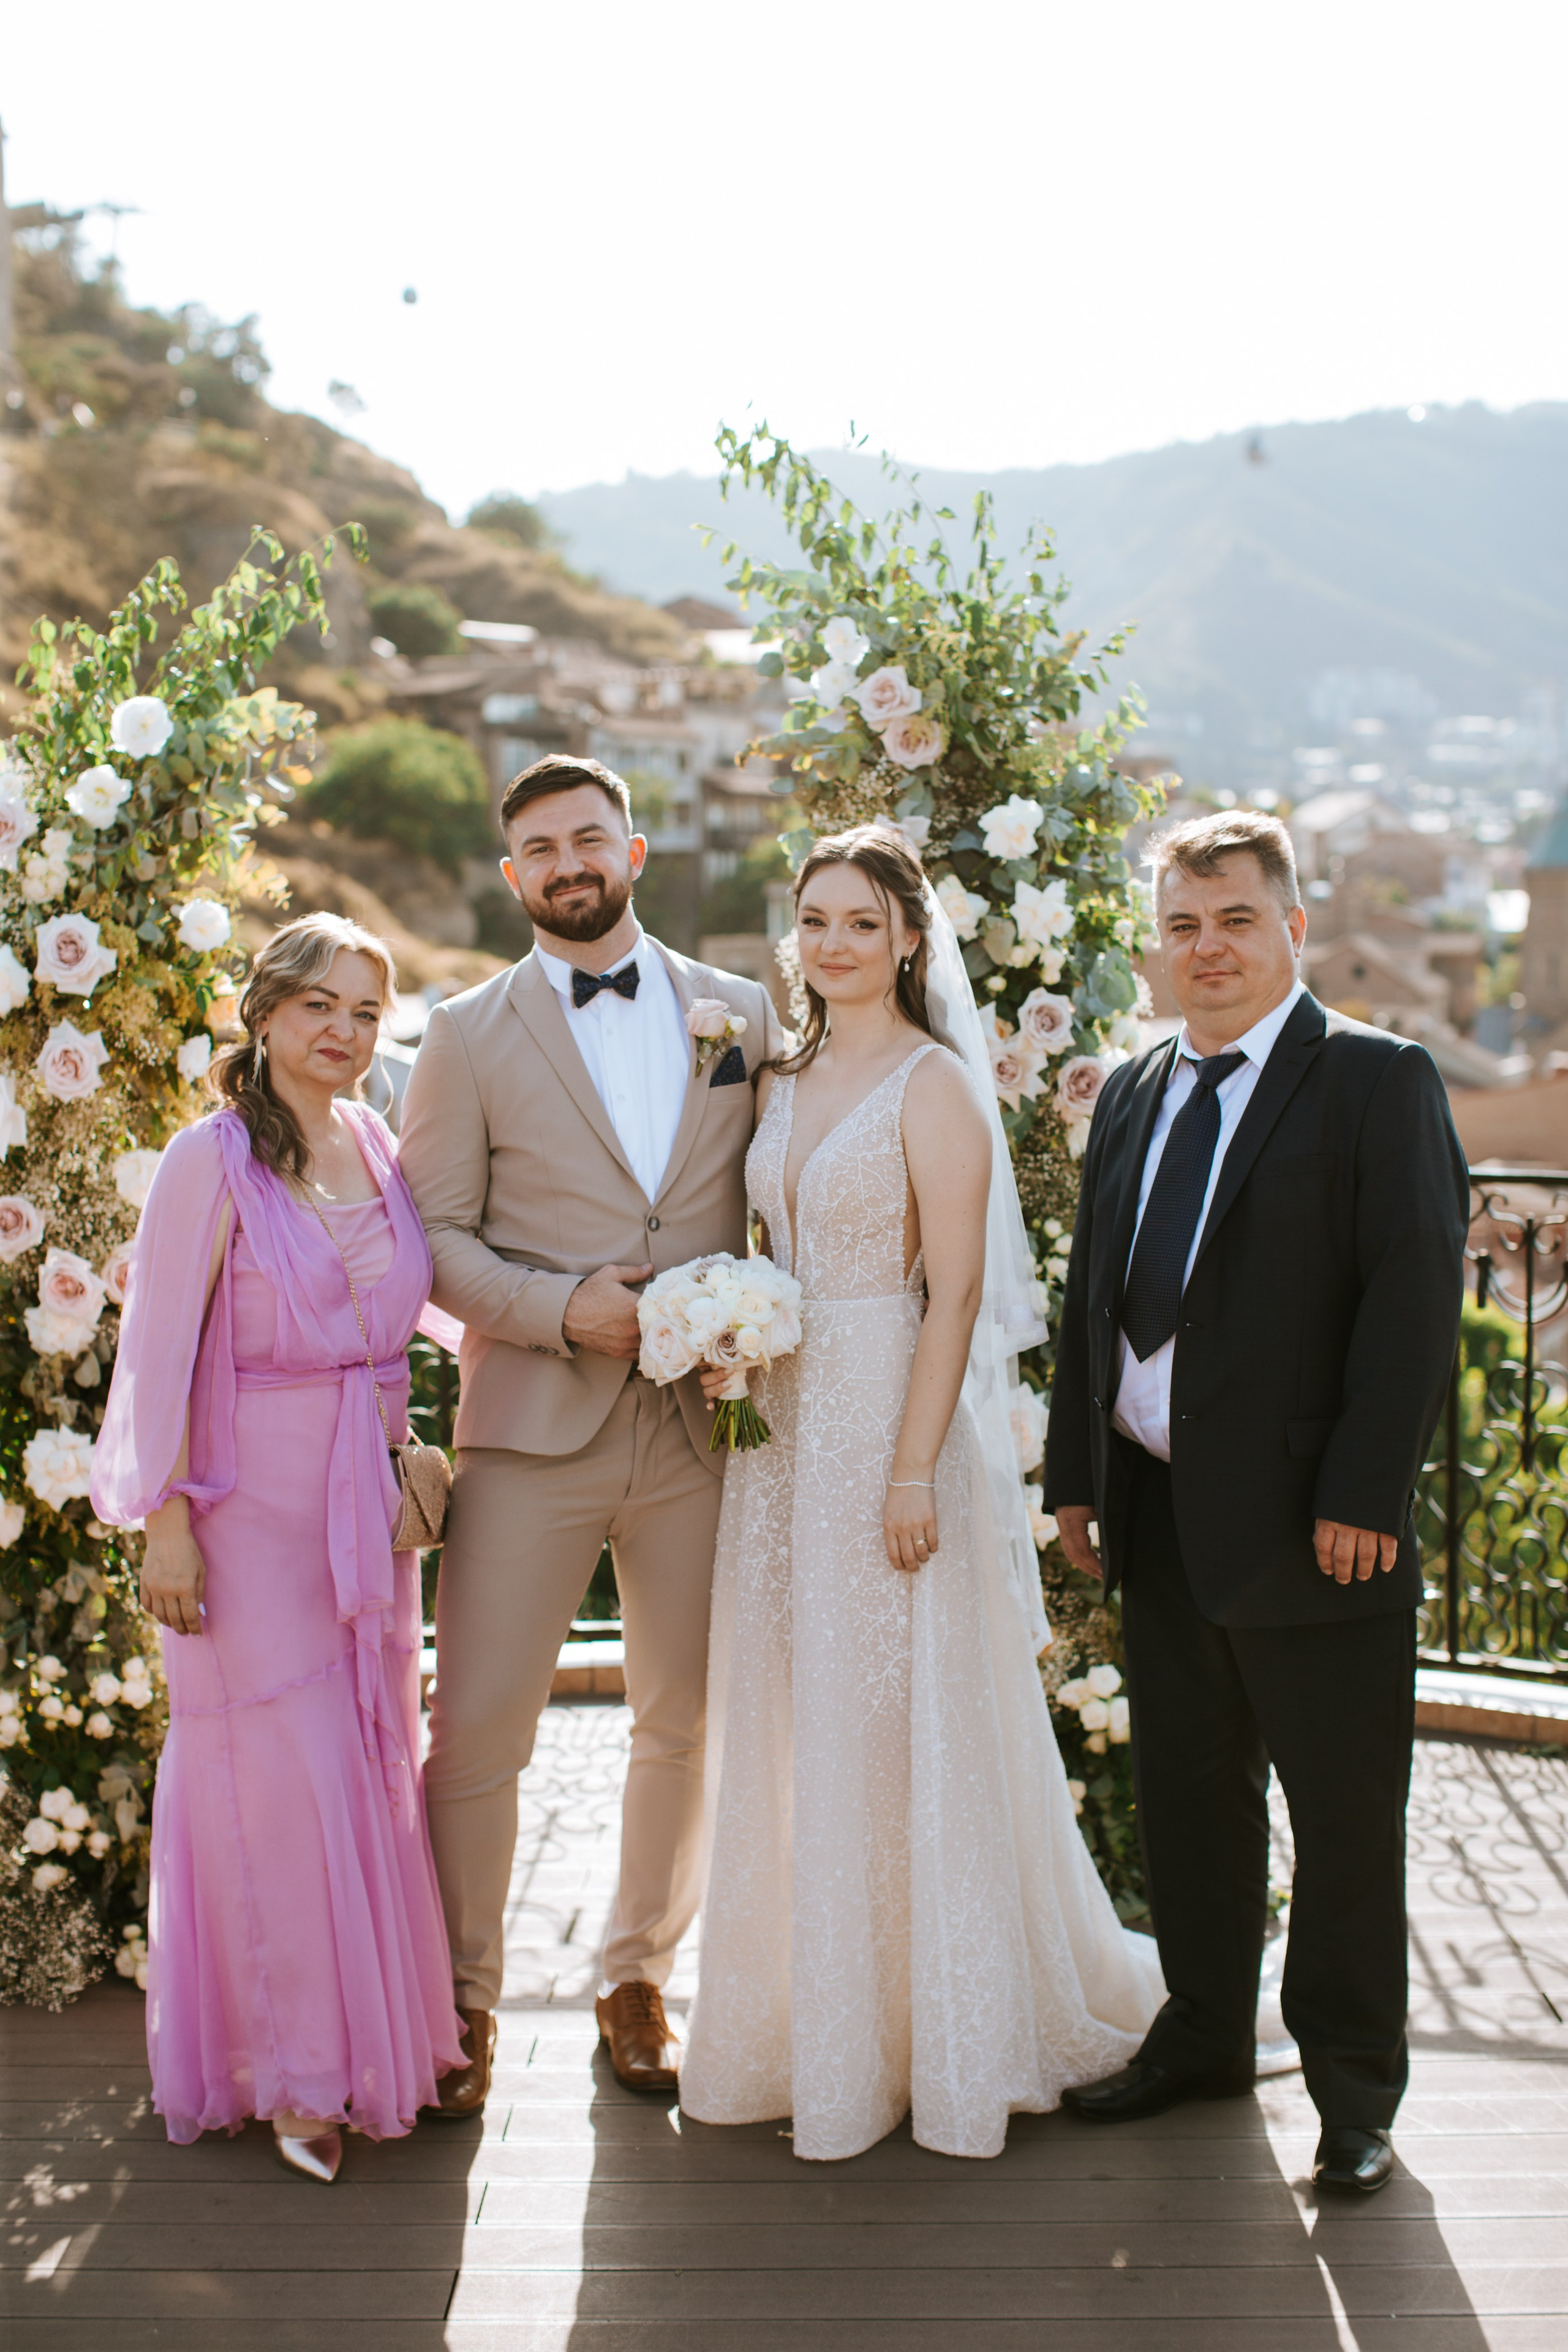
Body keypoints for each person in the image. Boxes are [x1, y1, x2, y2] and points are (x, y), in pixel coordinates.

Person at [678, 826, 1163, 2163]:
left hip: (889, 1409)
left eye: (857, 920)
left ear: (907, 938)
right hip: (778, 1423)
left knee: (898, 1713)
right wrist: (727, 1331)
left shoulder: (934, 1085)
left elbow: (952, 1291)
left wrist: (907, 1468)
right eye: (811, 920)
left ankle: (933, 2032)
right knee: (801, 1713)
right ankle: (810, 2026)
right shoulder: (773, 1076)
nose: (831, 943)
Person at [1043, 809, 1469, 2196]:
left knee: (1342, 1819)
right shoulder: (1131, 1089)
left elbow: (1409, 1298)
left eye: (1232, 918)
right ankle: (1203, 2039)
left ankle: (1353, 2093)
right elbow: (1090, 1296)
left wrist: (1365, 1490)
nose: (1205, 947)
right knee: (1187, 1799)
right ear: (1154, 945)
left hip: (1314, 1523)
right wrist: (1077, 1478)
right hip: (1156, 1512)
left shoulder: (1373, 1080)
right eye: (1180, 924)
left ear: (1291, 927)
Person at [397, 754, 782, 2112]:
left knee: (679, 1719)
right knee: (478, 1729)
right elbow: (430, 1240)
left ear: (632, 852)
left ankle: (635, 1980)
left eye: (588, 838)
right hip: (529, 1431)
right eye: (540, 849)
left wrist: (744, 1313)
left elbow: (770, 1194)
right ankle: (461, 2000)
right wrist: (566, 1310)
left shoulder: (738, 1012)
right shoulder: (463, 1031)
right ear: (515, 880)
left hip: (701, 1428)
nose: (567, 863)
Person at [91, 913, 464, 2182]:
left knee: (363, 1765)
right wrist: (170, 1527)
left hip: (361, 1499)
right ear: (264, 1011)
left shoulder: (372, 1140)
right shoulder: (211, 1158)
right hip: (243, 1507)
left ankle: (369, 2048)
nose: (346, 1033)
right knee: (271, 1780)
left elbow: (422, 1303)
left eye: (368, 1011)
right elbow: (157, 1355)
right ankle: (293, 2073)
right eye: (321, 1006)